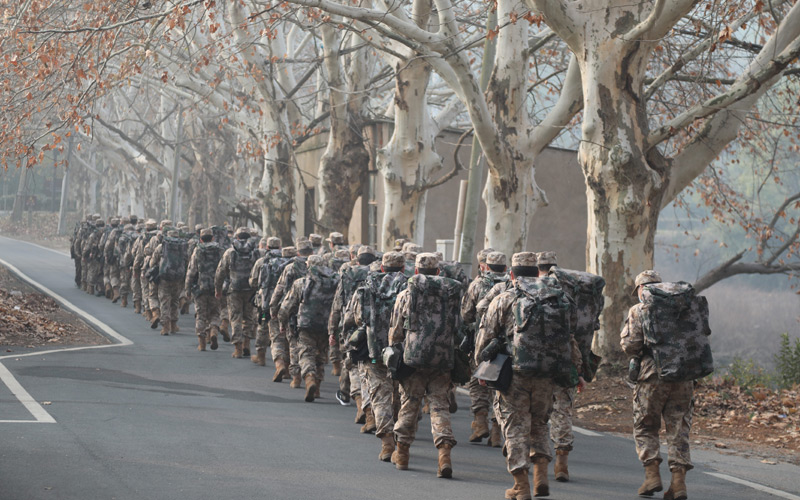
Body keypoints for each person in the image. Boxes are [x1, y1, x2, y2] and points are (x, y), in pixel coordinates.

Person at [476, 252, 581, 499]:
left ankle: (521, 485)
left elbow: (485, 339)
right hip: (548, 375)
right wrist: (578, 371)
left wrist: (480, 366)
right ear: (537, 273)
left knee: (514, 426)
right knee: (539, 424)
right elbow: (570, 337)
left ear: (511, 274)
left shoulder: (505, 298)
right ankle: (541, 476)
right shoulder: (560, 299)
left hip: (514, 376)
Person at [621, 270, 704, 500]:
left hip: (652, 377)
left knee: (646, 425)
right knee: (678, 429)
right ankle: (678, 484)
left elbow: (631, 345)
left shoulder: (639, 310)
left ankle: (651, 477)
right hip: (684, 377)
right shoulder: (683, 308)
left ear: (641, 289)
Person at [388, 252, 462, 478]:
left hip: (413, 359)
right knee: (440, 407)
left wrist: (395, 349)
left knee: (410, 404)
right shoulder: (451, 294)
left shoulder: (406, 294)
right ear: (438, 271)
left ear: (416, 272)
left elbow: (396, 328)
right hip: (442, 360)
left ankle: (402, 454)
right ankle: (444, 456)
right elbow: (458, 327)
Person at [351, 251, 408, 461]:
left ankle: (387, 443)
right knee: (401, 395)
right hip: (402, 351)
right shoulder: (410, 287)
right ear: (403, 268)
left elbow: (358, 318)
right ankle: (401, 442)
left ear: (382, 268)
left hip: (374, 350)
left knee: (379, 396)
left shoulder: (366, 288)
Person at [461, 249, 508, 446]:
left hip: (482, 342)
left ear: (485, 267)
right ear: (506, 268)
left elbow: (466, 315)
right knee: (501, 387)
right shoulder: (512, 285)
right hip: (506, 345)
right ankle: (497, 431)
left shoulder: (478, 285)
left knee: (477, 383)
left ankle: (480, 423)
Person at [278, 255, 339, 402]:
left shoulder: (301, 283)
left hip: (306, 325)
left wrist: (282, 322)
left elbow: (287, 306)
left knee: (306, 354)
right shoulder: (336, 282)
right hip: (326, 326)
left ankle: (309, 378)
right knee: (321, 356)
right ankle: (316, 387)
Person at [270, 239, 314, 386]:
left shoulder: (290, 267)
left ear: (297, 251)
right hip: (314, 312)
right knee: (309, 347)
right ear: (312, 252)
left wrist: (273, 307)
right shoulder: (318, 266)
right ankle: (312, 376)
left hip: (292, 309)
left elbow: (280, 288)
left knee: (293, 342)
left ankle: (296, 377)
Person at [215, 227, 259, 358]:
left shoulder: (230, 252)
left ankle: (238, 348)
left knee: (235, 318)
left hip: (234, 289)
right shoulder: (256, 252)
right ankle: (246, 343)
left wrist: (218, 289)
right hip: (251, 289)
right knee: (249, 318)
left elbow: (220, 272)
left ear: (237, 237)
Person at [185, 229, 223, 351]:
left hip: (200, 288)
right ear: (212, 238)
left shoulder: (198, 250)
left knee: (201, 315)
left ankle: (202, 343)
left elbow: (191, 272)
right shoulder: (220, 250)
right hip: (216, 288)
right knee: (215, 313)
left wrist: (188, 289)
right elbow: (224, 270)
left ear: (200, 239)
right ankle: (213, 332)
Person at [249, 236, 283, 366]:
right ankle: (284, 362)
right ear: (280, 247)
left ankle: (260, 356)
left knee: (263, 326)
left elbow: (253, 282)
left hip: (265, 304)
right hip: (282, 304)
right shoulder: (289, 262)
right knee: (282, 330)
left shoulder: (261, 261)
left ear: (267, 247)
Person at [150, 229, 188, 335]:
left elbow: (153, 261)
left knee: (164, 302)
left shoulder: (162, 246)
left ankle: (165, 327)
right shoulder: (183, 247)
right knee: (175, 301)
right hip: (178, 278)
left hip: (165, 278)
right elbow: (187, 262)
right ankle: (173, 325)